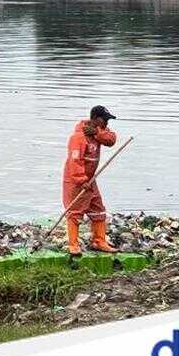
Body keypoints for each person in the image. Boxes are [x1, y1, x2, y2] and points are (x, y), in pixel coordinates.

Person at [62, 105, 119, 255]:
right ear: (95, 119)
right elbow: (75, 161)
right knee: (75, 211)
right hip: (75, 180)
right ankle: (73, 245)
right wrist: (82, 180)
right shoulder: (78, 137)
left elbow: (111, 139)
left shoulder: (97, 132)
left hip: (91, 179)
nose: (106, 123)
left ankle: (99, 241)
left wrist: (97, 133)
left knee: (98, 210)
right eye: (104, 120)